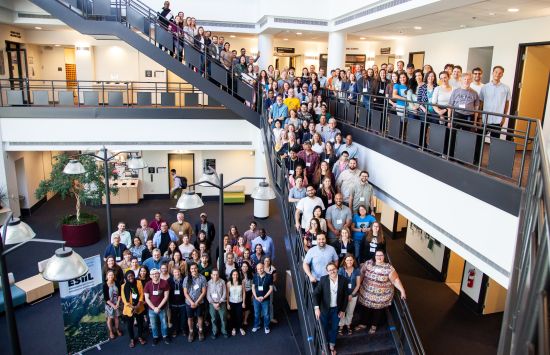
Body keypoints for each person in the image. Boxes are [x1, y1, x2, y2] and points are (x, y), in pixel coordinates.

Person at [355, 250, 406, 335]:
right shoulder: (368, 263)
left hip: (381, 296)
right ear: (374, 256)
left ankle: (374, 326)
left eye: (381, 255)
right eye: (377, 255)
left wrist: (402, 291)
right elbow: (361, 274)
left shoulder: (388, 268)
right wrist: (357, 285)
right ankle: (363, 324)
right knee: (365, 309)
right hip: (366, 293)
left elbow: (395, 280)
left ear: (384, 256)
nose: (379, 257)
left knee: (378, 312)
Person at [313, 262, 348, 355]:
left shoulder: (343, 280)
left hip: (337, 309)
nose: (332, 271)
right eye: (330, 270)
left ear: (336, 269)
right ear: (327, 272)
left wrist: (343, 310)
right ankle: (324, 346)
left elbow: (345, 297)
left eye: (333, 269)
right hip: (324, 309)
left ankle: (332, 345)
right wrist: (316, 308)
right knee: (324, 327)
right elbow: (315, 294)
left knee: (334, 328)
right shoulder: (323, 279)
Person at [480, 65, 511, 138]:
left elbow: (506, 104)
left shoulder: (506, 88)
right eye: (496, 72)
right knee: (479, 139)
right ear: (492, 73)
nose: (497, 74)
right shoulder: (485, 87)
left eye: (500, 73)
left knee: (495, 141)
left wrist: (504, 118)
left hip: (498, 120)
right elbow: (481, 103)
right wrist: (479, 117)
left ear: (502, 74)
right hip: (485, 119)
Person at [144, 268, 171, 345]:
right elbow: (146, 298)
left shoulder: (165, 283)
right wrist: (154, 308)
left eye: (156, 273)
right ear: (150, 276)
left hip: (162, 308)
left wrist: (158, 307)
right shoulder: (148, 284)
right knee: (153, 324)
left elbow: (166, 297)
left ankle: (165, 336)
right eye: (153, 274)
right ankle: (155, 337)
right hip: (151, 309)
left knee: (164, 323)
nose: (155, 275)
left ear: (159, 274)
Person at [121, 270, 146, 348]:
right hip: (129, 309)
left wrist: (138, 305)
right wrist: (132, 307)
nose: (131, 277)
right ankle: (132, 339)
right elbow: (124, 299)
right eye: (129, 276)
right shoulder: (123, 286)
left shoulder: (138, 282)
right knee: (129, 325)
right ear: (126, 278)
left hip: (139, 306)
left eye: (132, 276)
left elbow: (142, 294)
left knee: (140, 323)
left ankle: (140, 337)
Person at [183, 263, 207, 342]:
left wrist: (196, 302)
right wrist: (191, 302)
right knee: (190, 318)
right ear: (190, 270)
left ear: (197, 268)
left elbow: (203, 292)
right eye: (192, 269)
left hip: (199, 302)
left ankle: (200, 331)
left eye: (195, 268)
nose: (193, 270)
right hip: (189, 303)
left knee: (199, 316)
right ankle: (191, 332)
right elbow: (185, 293)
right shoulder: (186, 279)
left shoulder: (202, 278)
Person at [338, 255, 361, 336]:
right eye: (347, 260)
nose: (349, 262)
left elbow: (358, 285)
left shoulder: (357, 270)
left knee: (350, 311)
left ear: (353, 261)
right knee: (342, 311)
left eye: (351, 260)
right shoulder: (341, 270)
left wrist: (351, 294)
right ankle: (341, 326)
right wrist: (346, 295)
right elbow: (339, 284)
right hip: (343, 295)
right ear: (345, 261)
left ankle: (348, 324)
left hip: (353, 295)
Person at [252, 262, 274, 334]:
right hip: (256, 299)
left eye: (261, 268)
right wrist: (256, 297)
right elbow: (253, 287)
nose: (259, 270)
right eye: (258, 269)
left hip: (265, 299)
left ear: (263, 267)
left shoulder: (269, 276)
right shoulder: (255, 276)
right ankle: (256, 325)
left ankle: (266, 326)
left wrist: (264, 297)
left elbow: (271, 288)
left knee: (266, 314)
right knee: (256, 313)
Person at [207, 269, 229, 339]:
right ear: (211, 275)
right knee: (213, 319)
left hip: (221, 303)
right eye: (214, 274)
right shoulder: (209, 283)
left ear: (218, 275)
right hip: (212, 304)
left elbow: (225, 293)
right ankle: (214, 332)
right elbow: (208, 295)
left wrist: (219, 302)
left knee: (223, 318)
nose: (215, 276)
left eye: (217, 274)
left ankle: (224, 331)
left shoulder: (222, 282)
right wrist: (213, 303)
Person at [169, 267, 188, 338]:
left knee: (183, 317)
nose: (177, 273)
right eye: (175, 272)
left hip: (182, 302)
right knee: (174, 318)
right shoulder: (169, 280)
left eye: (178, 272)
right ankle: (175, 330)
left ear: (180, 272)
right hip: (173, 302)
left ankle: (183, 329)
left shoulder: (184, 280)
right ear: (173, 273)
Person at [227, 269, 247, 336]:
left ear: (238, 275)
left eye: (236, 274)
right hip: (232, 302)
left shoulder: (242, 282)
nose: (235, 276)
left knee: (240, 316)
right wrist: (227, 304)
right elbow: (227, 294)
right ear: (231, 275)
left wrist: (243, 302)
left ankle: (241, 328)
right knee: (232, 316)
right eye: (234, 274)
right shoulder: (229, 283)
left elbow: (244, 293)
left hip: (239, 302)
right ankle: (233, 328)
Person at [103, 270, 122, 341]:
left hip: (117, 303)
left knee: (117, 317)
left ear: (114, 276)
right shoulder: (105, 285)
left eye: (112, 275)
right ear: (107, 277)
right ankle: (111, 331)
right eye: (109, 275)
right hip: (109, 305)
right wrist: (113, 306)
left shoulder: (117, 283)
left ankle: (117, 329)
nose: (111, 276)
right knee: (110, 318)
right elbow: (106, 299)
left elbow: (120, 294)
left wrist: (117, 303)